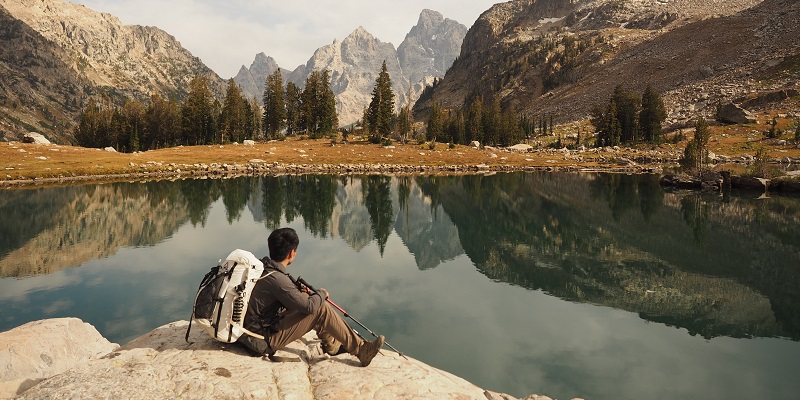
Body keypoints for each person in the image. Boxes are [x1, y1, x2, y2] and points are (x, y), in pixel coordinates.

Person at [237, 227, 384, 367]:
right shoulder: (278, 279)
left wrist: (304, 294)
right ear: (292, 253)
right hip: (260, 340)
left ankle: (332, 345)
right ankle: (360, 350)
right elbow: (310, 307)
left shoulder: (264, 268)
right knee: (320, 308)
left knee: (306, 297)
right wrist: (322, 293)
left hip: (248, 332)